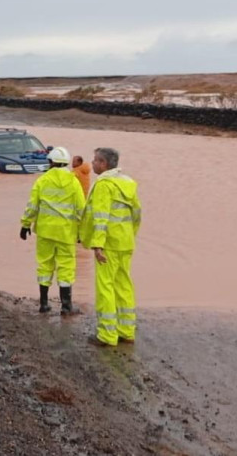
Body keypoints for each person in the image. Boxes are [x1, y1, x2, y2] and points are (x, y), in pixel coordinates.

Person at [79, 147, 142, 346]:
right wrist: (130, 235)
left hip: (109, 244)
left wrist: (97, 245)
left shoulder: (104, 185)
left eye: (95, 160)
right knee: (123, 285)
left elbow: (100, 217)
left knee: (105, 287)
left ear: (104, 164)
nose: (92, 163)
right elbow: (137, 215)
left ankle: (107, 335)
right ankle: (127, 331)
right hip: (125, 242)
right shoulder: (128, 183)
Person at [20, 147, 86, 315]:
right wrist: (82, 233)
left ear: (51, 162)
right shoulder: (74, 182)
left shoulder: (42, 180)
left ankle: (43, 303)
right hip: (66, 233)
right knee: (66, 267)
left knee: (44, 264)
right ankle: (66, 306)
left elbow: (32, 205)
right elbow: (81, 210)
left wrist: (25, 224)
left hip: (45, 231)